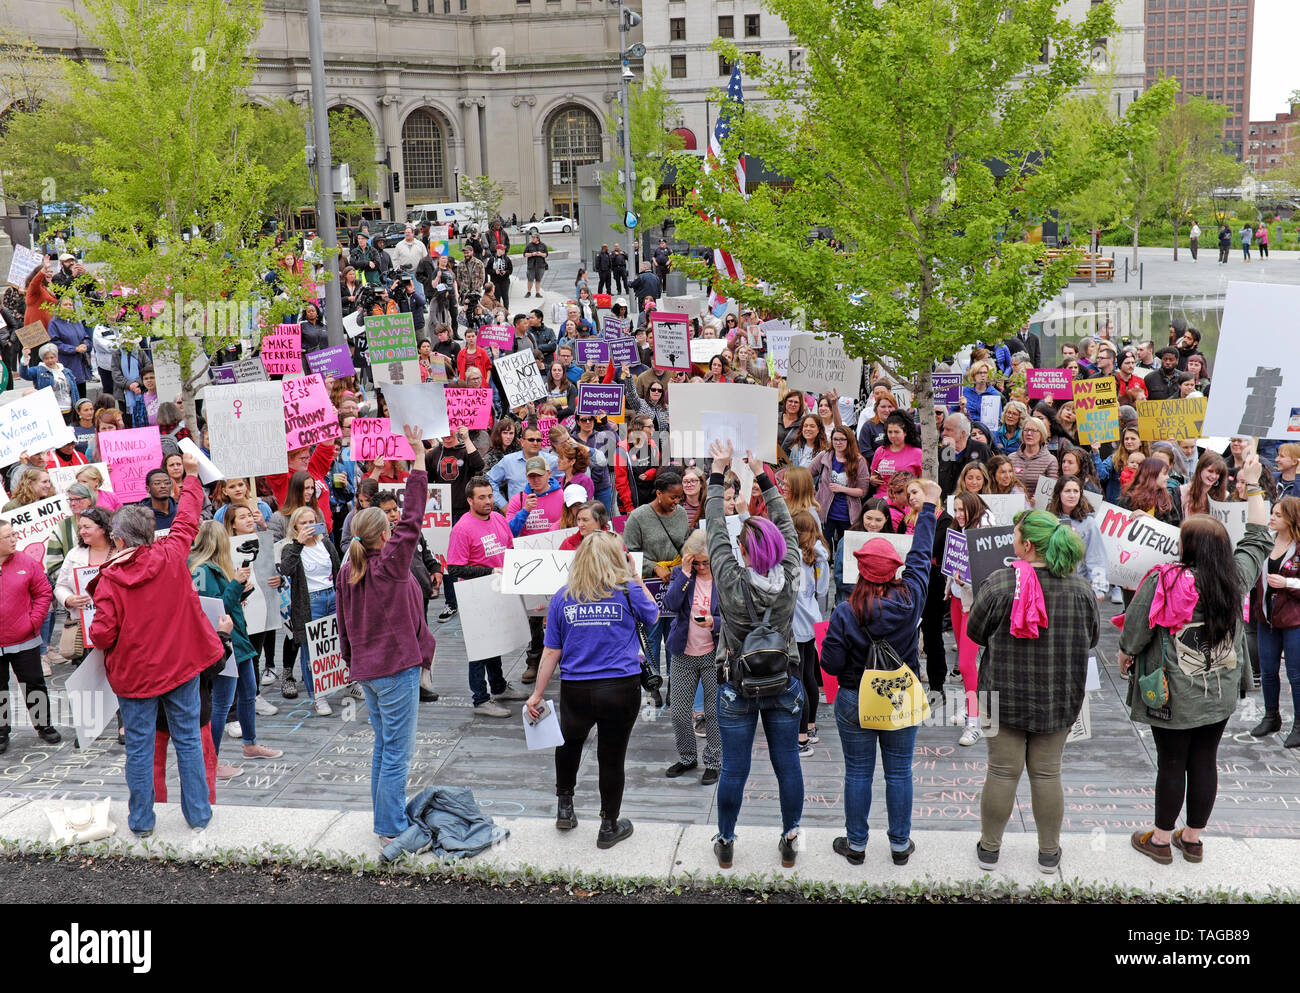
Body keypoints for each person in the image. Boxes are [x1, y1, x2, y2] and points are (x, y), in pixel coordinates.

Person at [1120, 456, 1270, 864]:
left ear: (1187, 546)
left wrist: (1125, 655)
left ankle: (1159, 840)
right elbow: (1258, 538)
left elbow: (1135, 632)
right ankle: (1193, 839)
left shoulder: (1163, 578)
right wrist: (1253, 486)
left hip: (1172, 692)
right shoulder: (1235, 577)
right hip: (1219, 690)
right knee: (1205, 760)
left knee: (1172, 763)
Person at [89, 451, 218, 836]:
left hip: (136, 678)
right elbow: (187, 520)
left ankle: (142, 822)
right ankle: (198, 815)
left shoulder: (110, 580)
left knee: (140, 749)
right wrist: (192, 477)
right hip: (181, 667)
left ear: (118, 538)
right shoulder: (171, 554)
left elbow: (101, 635)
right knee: (189, 741)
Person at [967, 510, 1099, 873]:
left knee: (1000, 772)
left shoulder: (998, 583)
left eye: (1015, 535)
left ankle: (989, 851)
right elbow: (1093, 639)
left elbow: (974, 634)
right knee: (1047, 774)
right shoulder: (1080, 588)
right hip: (1059, 696)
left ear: (1026, 545)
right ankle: (1048, 853)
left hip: (1000, 695)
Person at [820, 477, 942, 864]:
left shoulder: (844, 611)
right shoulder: (910, 600)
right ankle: (900, 845)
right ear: (894, 570)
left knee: (857, 773)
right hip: (899, 696)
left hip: (855, 698)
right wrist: (927, 511)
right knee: (899, 773)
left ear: (860, 570)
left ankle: (856, 845)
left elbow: (830, 664)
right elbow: (922, 557)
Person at [704, 441, 804, 870]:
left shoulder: (728, 579)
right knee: (788, 765)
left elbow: (712, 527)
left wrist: (716, 473)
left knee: (734, 770)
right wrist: (763, 473)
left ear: (742, 550)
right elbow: (785, 523)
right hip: (783, 681)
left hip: (735, 684)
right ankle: (790, 837)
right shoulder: (793, 574)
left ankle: (726, 840)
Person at [337, 431, 439, 850]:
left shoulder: (349, 568)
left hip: (368, 669)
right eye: (390, 526)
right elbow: (413, 517)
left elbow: (343, 624)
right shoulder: (390, 565)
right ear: (384, 536)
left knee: (384, 746)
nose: (397, 527)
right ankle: (392, 827)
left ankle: (384, 817)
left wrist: (350, 661)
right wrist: (417, 460)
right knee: (396, 751)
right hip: (395, 669)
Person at [525, 531, 656, 848]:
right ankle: (609, 826)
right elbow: (652, 616)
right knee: (612, 756)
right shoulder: (626, 592)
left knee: (568, 743)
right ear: (616, 559)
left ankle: (565, 806)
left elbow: (551, 651)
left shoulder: (563, 597)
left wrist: (537, 694)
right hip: (620, 687)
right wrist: (635, 577)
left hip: (576, 688)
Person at [188, 521, 282, 777]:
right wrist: (236, 585)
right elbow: (218, 607)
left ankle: (250, 745)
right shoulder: (204, 570)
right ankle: (213, 761)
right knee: (221, 704)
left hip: (237, 640)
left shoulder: (206, 568)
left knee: (248, 693)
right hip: (224, 642)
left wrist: (240, 589)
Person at [445, 476, 530, 716]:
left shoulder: (500, 519)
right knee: (480, 647)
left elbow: (510, 550)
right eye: (481, 497)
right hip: (475, 595)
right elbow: (455, 568)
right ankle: (480, 698)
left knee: (495, 643)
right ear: (469, 500)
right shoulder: (462, 528)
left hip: (498, 590)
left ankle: (499, 686)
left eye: (490, 496)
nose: (488, 501)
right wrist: (490, 570)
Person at [661, 530, 723, 784]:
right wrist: (685, 573)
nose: (700, 566)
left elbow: (736, 616)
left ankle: (713, 761)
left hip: (713, 653)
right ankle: (687, 757)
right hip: (684, 652)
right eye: (695, 562)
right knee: (678, 712)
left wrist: (714, 622)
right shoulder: (683, 575)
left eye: (704, 562)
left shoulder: (723, 578)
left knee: (713, 713)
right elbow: (671, 604)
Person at [0, 520, 63, 753]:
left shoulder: (26, 562)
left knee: (34, 683)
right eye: (8, 536)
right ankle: (1, 731)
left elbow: (44, 592)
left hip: (24, 638)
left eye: (14, 534)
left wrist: (33, 621)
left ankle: (44, 725)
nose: (14, 539)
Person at [279, 504, 342, 716]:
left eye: (311, 521)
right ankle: (318, 695)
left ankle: (345, 681)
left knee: (335, 643)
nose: (308, 526)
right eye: (303, 523)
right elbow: (286, 569)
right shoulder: (290, 547)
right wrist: (298, 544)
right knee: (312, 650)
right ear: (295, 526)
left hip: (331, 595)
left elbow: (338, 566)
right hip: (310, 601)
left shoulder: (325, 542)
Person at [623, 471, 687, 675]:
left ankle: (673, 685)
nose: (676, 502)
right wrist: (653, 567)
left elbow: (684, 544)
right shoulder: (638, 516)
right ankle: (652, 683)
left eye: (680, 497)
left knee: (674, 633)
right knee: (651, 634)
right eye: (672, 497)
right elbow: (629, 553)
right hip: (649, 586)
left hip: (675, 583)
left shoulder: (681, 514)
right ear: (659, 493)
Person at [791, 511, 829, 758]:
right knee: (809, 674)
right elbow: (823, 589)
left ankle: (801, 736)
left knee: (798, 677)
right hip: (813, 616)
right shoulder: (819, 555)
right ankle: (812, 726)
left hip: (795, 620)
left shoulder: (793, 557)